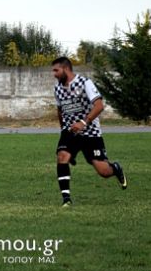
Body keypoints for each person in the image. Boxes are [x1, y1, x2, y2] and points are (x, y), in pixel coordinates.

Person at [51, 56, 127, 207]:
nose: (54, 74)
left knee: (103, 171)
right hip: (70, 132)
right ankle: (66, 199)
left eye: (56, 70)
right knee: (62, 156)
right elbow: (60, 110)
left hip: (90, 132)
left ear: (66, 69)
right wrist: (63, 131)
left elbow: (99, 106)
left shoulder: (84, 83)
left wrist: (83, 122)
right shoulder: (57, 88)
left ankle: (116, 168)